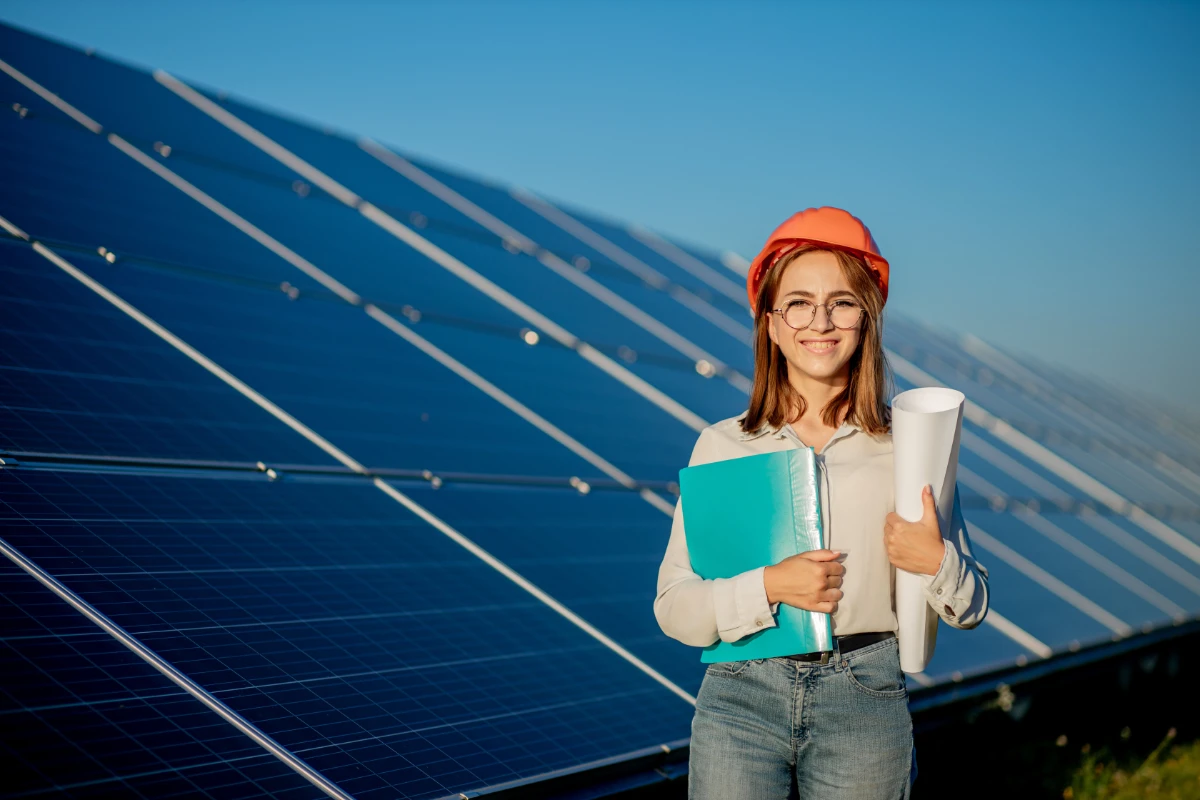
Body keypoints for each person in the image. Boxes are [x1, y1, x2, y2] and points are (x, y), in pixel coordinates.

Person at [653, 206, 989, 799]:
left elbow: (973, 603)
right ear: (773, 325)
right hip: (739, 695)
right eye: (799, 303)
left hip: (865, 696)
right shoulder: (722, 445)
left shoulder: (908, 448)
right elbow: (674, 607)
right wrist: (769, 586)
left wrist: (935, 560)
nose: (821, 321)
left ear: (867, 318)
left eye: (842, 302)